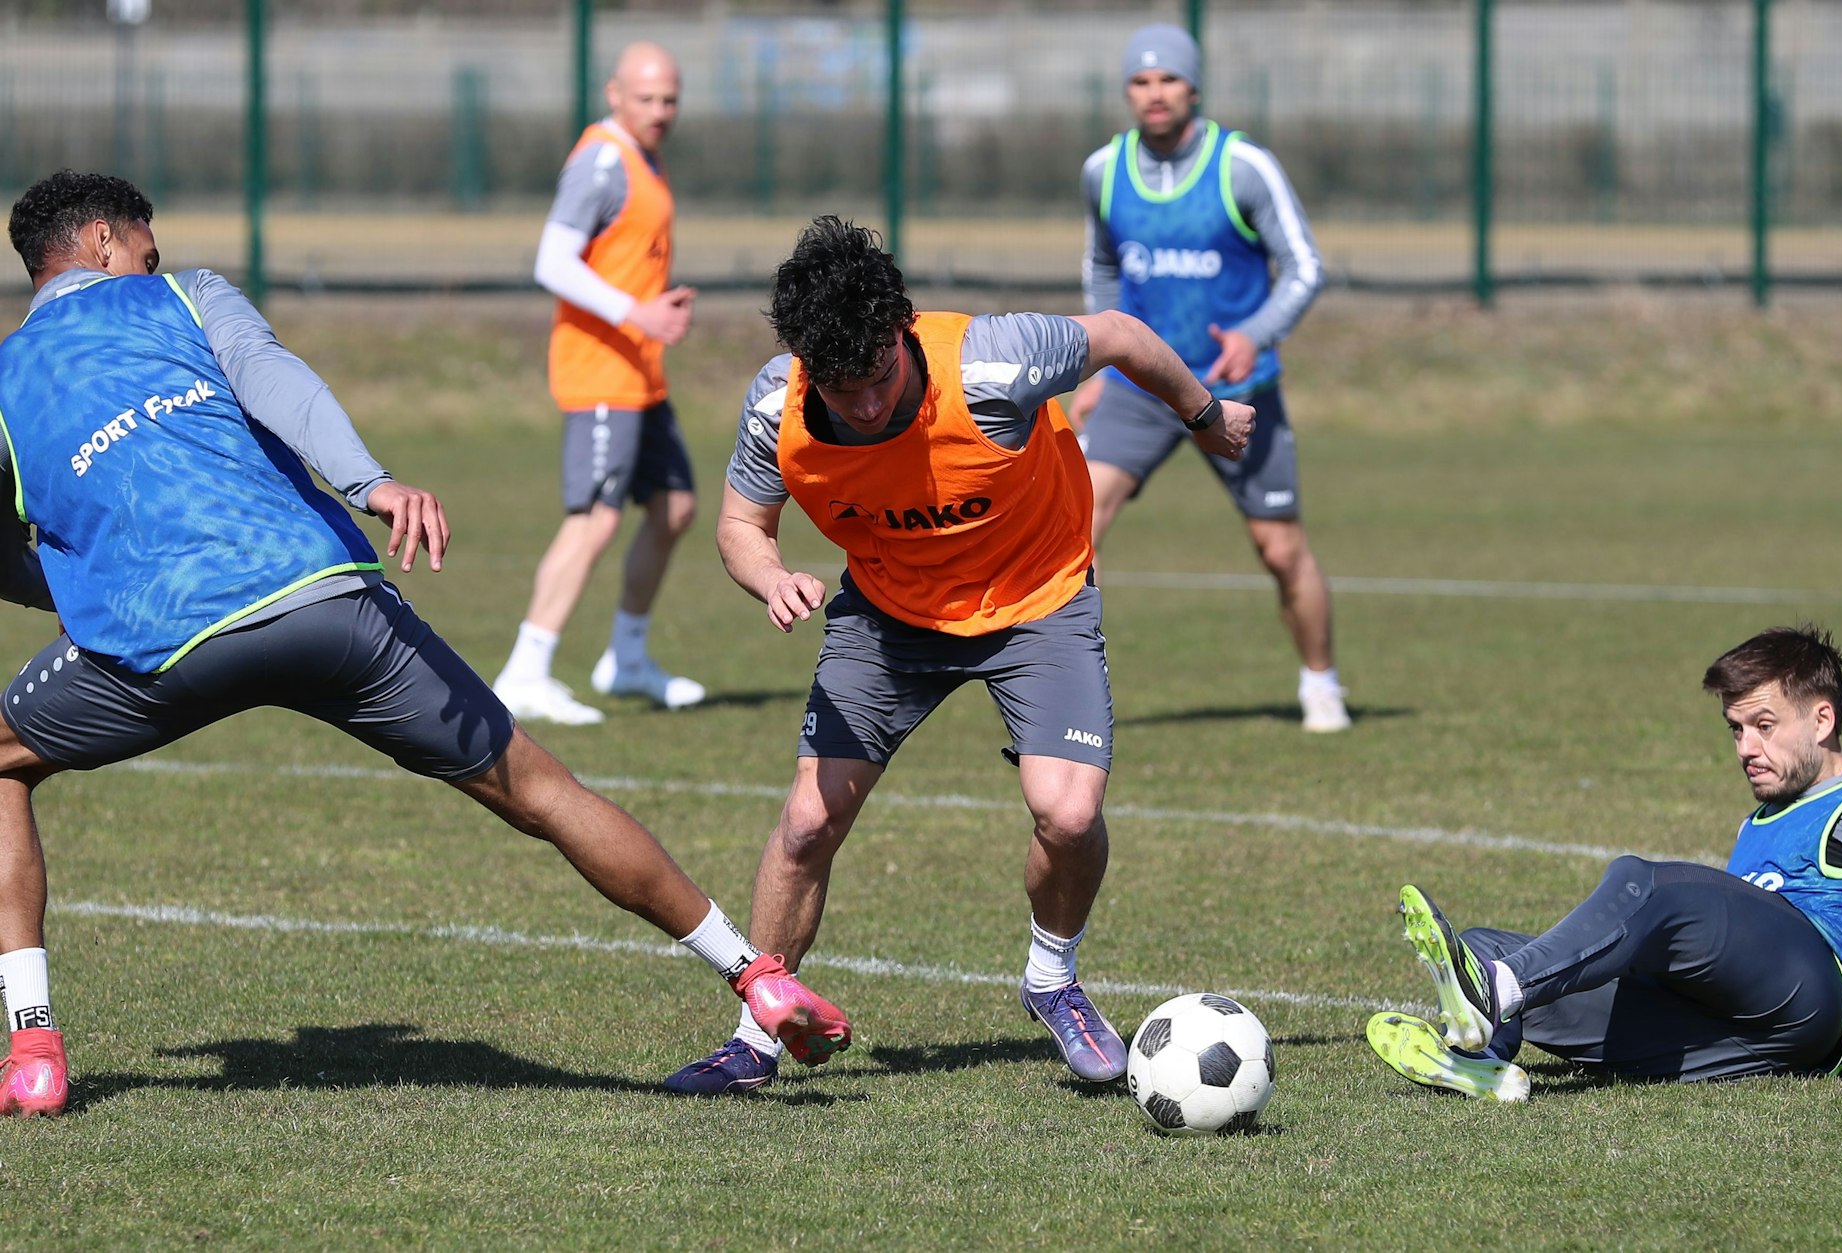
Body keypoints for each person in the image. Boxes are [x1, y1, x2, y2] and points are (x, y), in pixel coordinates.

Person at [0, 171, 850, 1118]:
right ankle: (755, 975)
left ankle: (32, 1049)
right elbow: (280, 381)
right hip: (323, 599)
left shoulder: (4, 381)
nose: (153, 263)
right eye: (145, 248)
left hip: (158, 641)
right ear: (105, 239)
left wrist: (80, 592)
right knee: (545, 791)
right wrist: (372, 483)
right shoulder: (186, 294)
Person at [662, 215, 1253, 1096]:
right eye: (842, 389)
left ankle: (1052, 979)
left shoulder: (994, 363)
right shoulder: (776, 406)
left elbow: (1124, 336)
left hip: (1038, 601)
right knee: (808, 822)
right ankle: (757, 1035)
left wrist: (1203, 416)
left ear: (902, 331)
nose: (866, 406)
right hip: (888, 616)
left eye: (878, 378)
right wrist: (771, 576)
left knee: (1070, 814)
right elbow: (742, 524)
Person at [1368, 625, 1842, 1101]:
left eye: (1764, 726)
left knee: (1647, 885)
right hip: (1742, 1036)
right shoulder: (1757, 823)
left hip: (1814, 999)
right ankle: (1479, 1058)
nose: (1746, 748)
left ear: (1822, 720)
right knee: (1484, 947)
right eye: (1735, 729)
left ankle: (1495, 993)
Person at [1069, 23, 1347, 733]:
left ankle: (1320, 682)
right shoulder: (1104, 170)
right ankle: (1065, 697)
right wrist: (1098, 364)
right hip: (1138, 387)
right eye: (1140, 81)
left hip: (1233, 390)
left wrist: (1255, 334)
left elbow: (1305, 267)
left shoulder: (1243, 166)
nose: (1154, 93)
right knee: (1072, 530)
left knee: (1278, 548)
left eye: (1168, 79)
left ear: (1193, 87)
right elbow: (1103, 266)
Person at [489, 40, 704, 726]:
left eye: (669, 99)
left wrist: (654, 311)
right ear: (614, 94)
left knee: (674, 506)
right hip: (600, 371)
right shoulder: (602, 161)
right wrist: (636, 312)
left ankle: (627, 658)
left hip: (640, 371)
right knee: (595, 518)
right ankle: (525, 671)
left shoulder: (645, 158)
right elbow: (552, 261)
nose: (660, 111)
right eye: (646, 98)